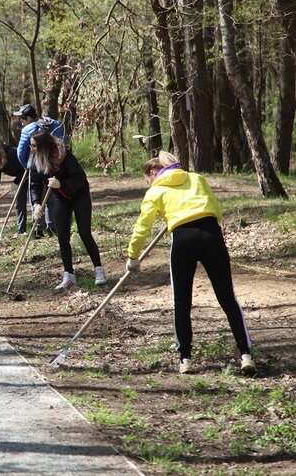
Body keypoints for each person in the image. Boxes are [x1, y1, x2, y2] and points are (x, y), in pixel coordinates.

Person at [125, 151, 255, 375]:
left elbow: (142, 227)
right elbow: (216, 209)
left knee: (182, 302)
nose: (148, 183)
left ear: (154, 173)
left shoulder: (156, 191)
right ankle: (246, 355)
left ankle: (185, 359)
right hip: (211, 235)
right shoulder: (197, 179)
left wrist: (132, 256)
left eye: (148, 179)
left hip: (183, 240)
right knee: (227, 298)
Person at [28, 130, 107, 290]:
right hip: (60, 198)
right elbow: (35, 185)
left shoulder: (64, 156)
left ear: (43, 146)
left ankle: (99, 271)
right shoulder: (36, 161)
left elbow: (80, 178)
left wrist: (61, 185)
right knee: (62, 236)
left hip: (79, 194)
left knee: (84, 232)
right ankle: (69, 275)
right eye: (31, 146)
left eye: (34, 146)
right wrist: (36, 204)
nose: (31, 149)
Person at [15, 104, 64, 237]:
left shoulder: (28, 129)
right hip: (54, 164)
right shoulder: (55, 123)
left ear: (28, 117)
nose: (21, 121)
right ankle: (52, 226)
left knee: (35, 194)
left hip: (36, 164)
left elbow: (20, 152)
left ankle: (38, 228)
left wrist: (28, 165)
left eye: (22, 118)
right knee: (51, 196)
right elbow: (62, 143)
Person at [0, 144, 28, 236]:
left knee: (35, 201)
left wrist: (16, 182)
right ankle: (21, 230)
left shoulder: (12, 154)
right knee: (19, 202)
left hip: (30, 173)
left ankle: (39, 229)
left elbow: (25, 169)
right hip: (21, 178)